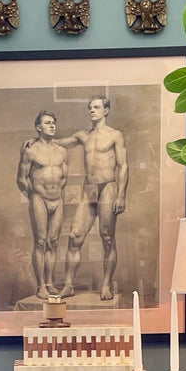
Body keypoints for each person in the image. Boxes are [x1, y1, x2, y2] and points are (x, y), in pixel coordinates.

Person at [57, 95, 129, 301]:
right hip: (89, 189)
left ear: (106, 110)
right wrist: (40, 140)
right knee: (74, 236)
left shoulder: (115, 135)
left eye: (97, 107)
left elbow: (123, 165)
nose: (92, 111)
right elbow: (61, 143)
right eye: (90, 107)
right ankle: (69, 285)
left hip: (107, 186)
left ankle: (106, 285)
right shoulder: (83, 136)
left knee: (107, 237)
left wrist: (121, 195)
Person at [16, 110, 68, 300]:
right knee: (40, 241)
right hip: (38, 198)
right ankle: (41, 286)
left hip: (58, 199)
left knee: (53, 242)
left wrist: (56, 193)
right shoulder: (31, 150)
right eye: (47, 123)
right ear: (39, 127)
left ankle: (50, 282)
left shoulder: (62, 151)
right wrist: (34, 195)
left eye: (53, 122)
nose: (52, 125)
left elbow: (64, 177)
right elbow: (21, 178)